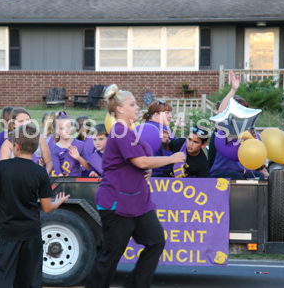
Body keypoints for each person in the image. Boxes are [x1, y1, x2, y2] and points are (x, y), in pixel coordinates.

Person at [85, 85, 186, 288]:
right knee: (111, 255)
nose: (138, 106)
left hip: (138, 202)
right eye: (132, 104)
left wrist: (145, 168)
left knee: (156, 241)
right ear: (120, 109)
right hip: (116, 202)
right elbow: (140, 161)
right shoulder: (120, 130)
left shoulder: (130, 131)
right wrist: (171, 159)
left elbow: (138, 163)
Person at [0, 123, 70, 288]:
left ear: (16, 146)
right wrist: (59, 202)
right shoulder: (40, 172)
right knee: (29, 279)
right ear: (35, 148)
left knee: (3, 276)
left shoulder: (2, 168)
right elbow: (47, 208)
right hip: (31, 233)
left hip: (6, 232)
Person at [209, 71, 267, 179]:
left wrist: (261, 165)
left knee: (259, 177)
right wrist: (233, 89)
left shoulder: (252, 134)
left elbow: (258, 156)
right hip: (221, 173)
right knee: (237, 177)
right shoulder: (223, 129)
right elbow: (221, 112)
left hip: (244, 173)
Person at [0, 107, 53, 174]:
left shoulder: (39, 138)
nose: (26, 123)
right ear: (13, 124)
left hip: (38, 179)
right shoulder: (9, 143)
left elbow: (49, 162)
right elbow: (3, 167)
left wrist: (44, 175)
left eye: (28, 120)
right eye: (21, 121)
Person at [51, 112, 89, 177]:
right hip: (63, 183)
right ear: (57, 130)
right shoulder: (54, 149)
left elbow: (88, 167)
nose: (66, 131)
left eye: (68, 127)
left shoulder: (80, 145)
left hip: (77, 182)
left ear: (72, 128)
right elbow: (58, 172)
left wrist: (78, 158)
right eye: (62, 128)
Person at [142, 100, 175, 175]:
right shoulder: (164, 129)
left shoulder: (141, 127)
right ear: (156, 115)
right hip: (161, 177)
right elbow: (172, 156)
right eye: (167, 113)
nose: (170, 116)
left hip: (142, 174)